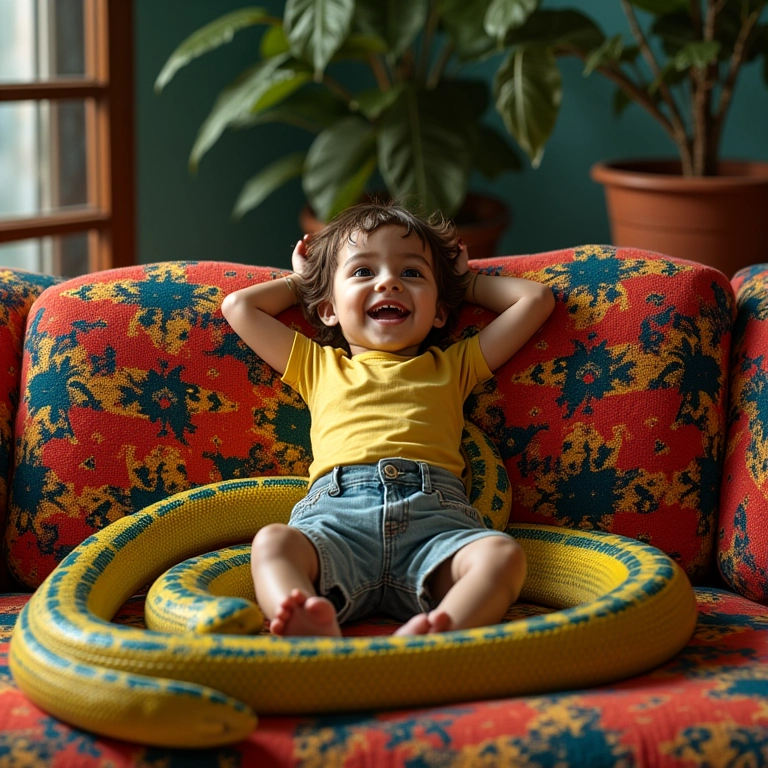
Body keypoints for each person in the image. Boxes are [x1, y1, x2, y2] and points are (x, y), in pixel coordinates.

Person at [221, 202, 555, 637]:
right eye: (362, 272)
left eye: (413, 273)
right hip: (338, 520)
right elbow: (238, 307)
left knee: (502, 555)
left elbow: (536, 299)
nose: (389, 281)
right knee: (273, 542)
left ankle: (442, 627)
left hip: (436, 524)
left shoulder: (454, 366)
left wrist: (462, 282)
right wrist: (305, 281)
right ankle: (301, 610)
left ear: (439, 312)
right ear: (328, 309)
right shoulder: (317, 365)